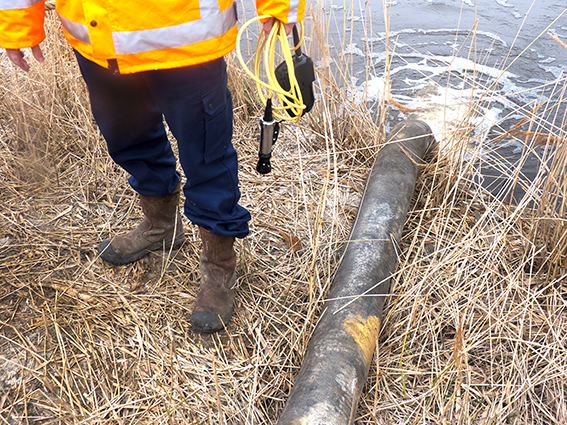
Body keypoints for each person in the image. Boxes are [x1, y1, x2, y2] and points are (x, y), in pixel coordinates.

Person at [0, 0, 305, 333]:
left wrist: (280, 7)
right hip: (98, 41)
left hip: (187, 39)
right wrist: (19, 22)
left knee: (206, 156)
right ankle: (162, 227)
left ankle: (219, 265)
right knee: (128, 138)